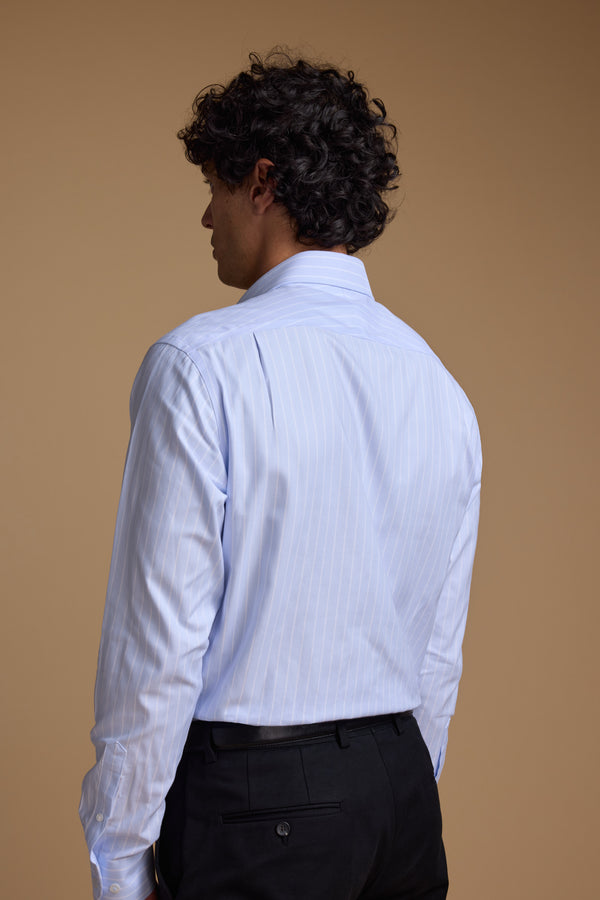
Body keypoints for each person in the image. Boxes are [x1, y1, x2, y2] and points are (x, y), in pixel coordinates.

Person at [80, 51, 482, 900]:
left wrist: (120, 860)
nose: (205, 216)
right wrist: (392, 794)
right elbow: (438, 647)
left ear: (262, 183)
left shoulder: (200, 365)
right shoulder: (437, 382)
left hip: (261, 807)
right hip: (400, 797)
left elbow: (158, 645)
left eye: (216, 187)